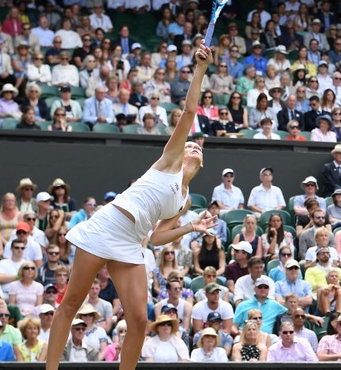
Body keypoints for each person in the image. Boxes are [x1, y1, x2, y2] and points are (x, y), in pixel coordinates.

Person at [44, 36, 218, 370]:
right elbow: (189, 110)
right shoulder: (169, 160)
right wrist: (200, 68)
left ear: (202, 163)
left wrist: (191, 226)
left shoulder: (183, 202)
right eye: (191, 145)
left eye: (199, 148)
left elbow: (157, 238)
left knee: (139, 319)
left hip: (130, 243)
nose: (193, 146)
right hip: (107, 225)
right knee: (71, 304)